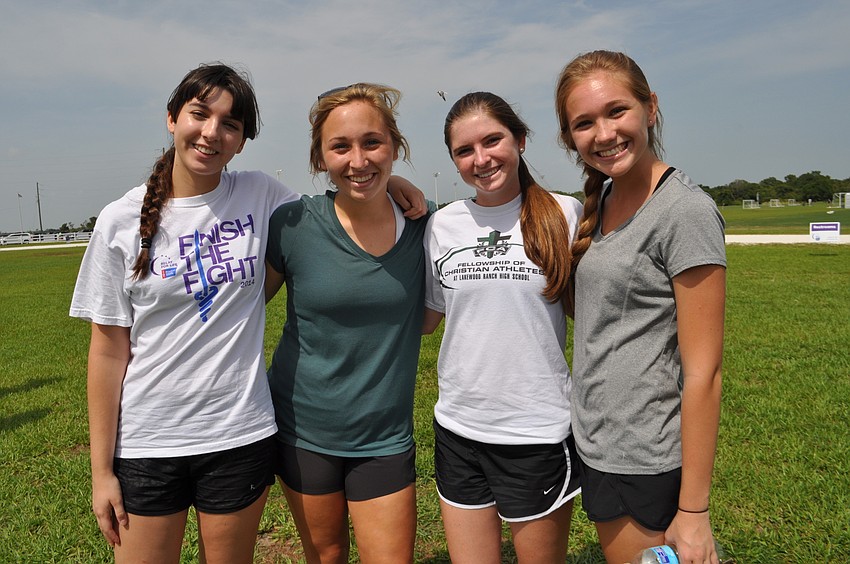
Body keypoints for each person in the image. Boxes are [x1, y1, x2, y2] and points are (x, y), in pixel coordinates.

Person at [69, 64, 425, 563]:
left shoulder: (262, 196)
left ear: (241, 141)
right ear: (172, 118)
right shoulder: (119, 221)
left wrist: (393, 183)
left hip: (240, 433)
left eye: (230, 124)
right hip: (148, 441)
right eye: (199, 114)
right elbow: (107, 351)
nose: (212, 132)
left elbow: (348, 188)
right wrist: (101, 471)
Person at [554, 50, 726, 564]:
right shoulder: (601, 200)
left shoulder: (684, 211)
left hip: (643, 455)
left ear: (651, 107)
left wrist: (693, 513)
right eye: (584, 123)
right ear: (569, 138)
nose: (603, 133)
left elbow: (705, 372)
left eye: (617, 111)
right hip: (598, 443)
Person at [264, 83, 434, 564]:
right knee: (326, 555)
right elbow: (244, 306)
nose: (358, 160)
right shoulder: (293, 224)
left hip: (383, 437)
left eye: (372, 142)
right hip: (302, 432)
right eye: (340, 146)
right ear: (320, 159)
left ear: (395, 147)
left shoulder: (426, 226)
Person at [422, 92, 583, 564]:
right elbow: (428, 320)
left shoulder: (565, 215)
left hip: (535, 431)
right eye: (464, 150)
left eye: (493, 140)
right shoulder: (441, 225)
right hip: (458, 428)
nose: (481, 158)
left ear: (521, 140)